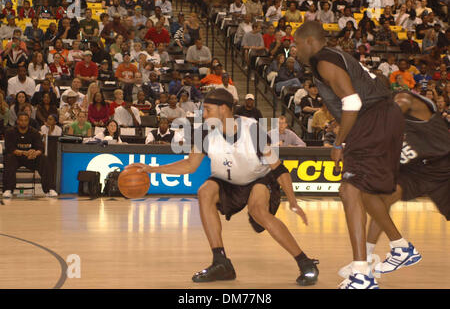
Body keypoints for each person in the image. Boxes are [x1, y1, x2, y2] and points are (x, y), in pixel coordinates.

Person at [127, 88, 319, 285]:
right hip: (228, 182)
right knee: (205, 192)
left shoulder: (252, 130)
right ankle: (221, 262)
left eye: (208, 110)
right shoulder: (203, 133)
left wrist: (293, 202)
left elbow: (279, 169)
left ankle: (305, 262)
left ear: (224, 109)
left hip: (258, 179)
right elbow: (190, 165)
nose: (204, 114)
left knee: (258, 211)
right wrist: (152, 169)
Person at [295, 21, 418, 289]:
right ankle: (399, 247)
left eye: (295, 44)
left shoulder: (322, 60)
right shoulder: (338, 55)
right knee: (364, 191)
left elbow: (352, 102)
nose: (294, 50)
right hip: (384, 117)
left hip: (371, 119)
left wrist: (339, 143)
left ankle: (362, 273)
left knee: (350, 190)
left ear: (308, 41)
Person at [339, 90, 450, 278]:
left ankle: (397, 249)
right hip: (414, 170)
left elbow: (402, 101)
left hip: (443, 165)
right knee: (373, 195)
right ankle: (376, 254)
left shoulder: (403, 102)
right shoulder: (369, 120)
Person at [3, 112, 58, 198]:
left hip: (31, 158)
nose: (23, 122)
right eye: (21, 120)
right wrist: (23, 152)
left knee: (44, 159)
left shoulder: (34, 132)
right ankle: (8, 189)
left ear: (28, 121)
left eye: (25, 120)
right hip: (16, 158)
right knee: (9, 158)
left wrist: (35, 153)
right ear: (17, 121)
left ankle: (50, 189)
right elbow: (10, 149)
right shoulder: (10, 132)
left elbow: (40, 148)